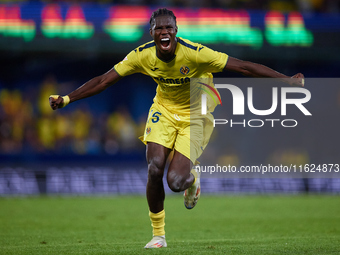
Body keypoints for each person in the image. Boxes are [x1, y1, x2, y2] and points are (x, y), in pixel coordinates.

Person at [49, 8, 304, 249]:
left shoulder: (195, 53)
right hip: (164, 111)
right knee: (154, 167)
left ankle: (192, 179)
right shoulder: (142, 55)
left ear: (176, 30)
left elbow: (244, 67)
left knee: (175, 182)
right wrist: (67, 99)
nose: (164, 32)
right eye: (159, 28)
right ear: (151, 32)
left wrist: (286, 81)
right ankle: (158, 235)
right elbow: (104, 80)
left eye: (169, 28)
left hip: (196, 115)